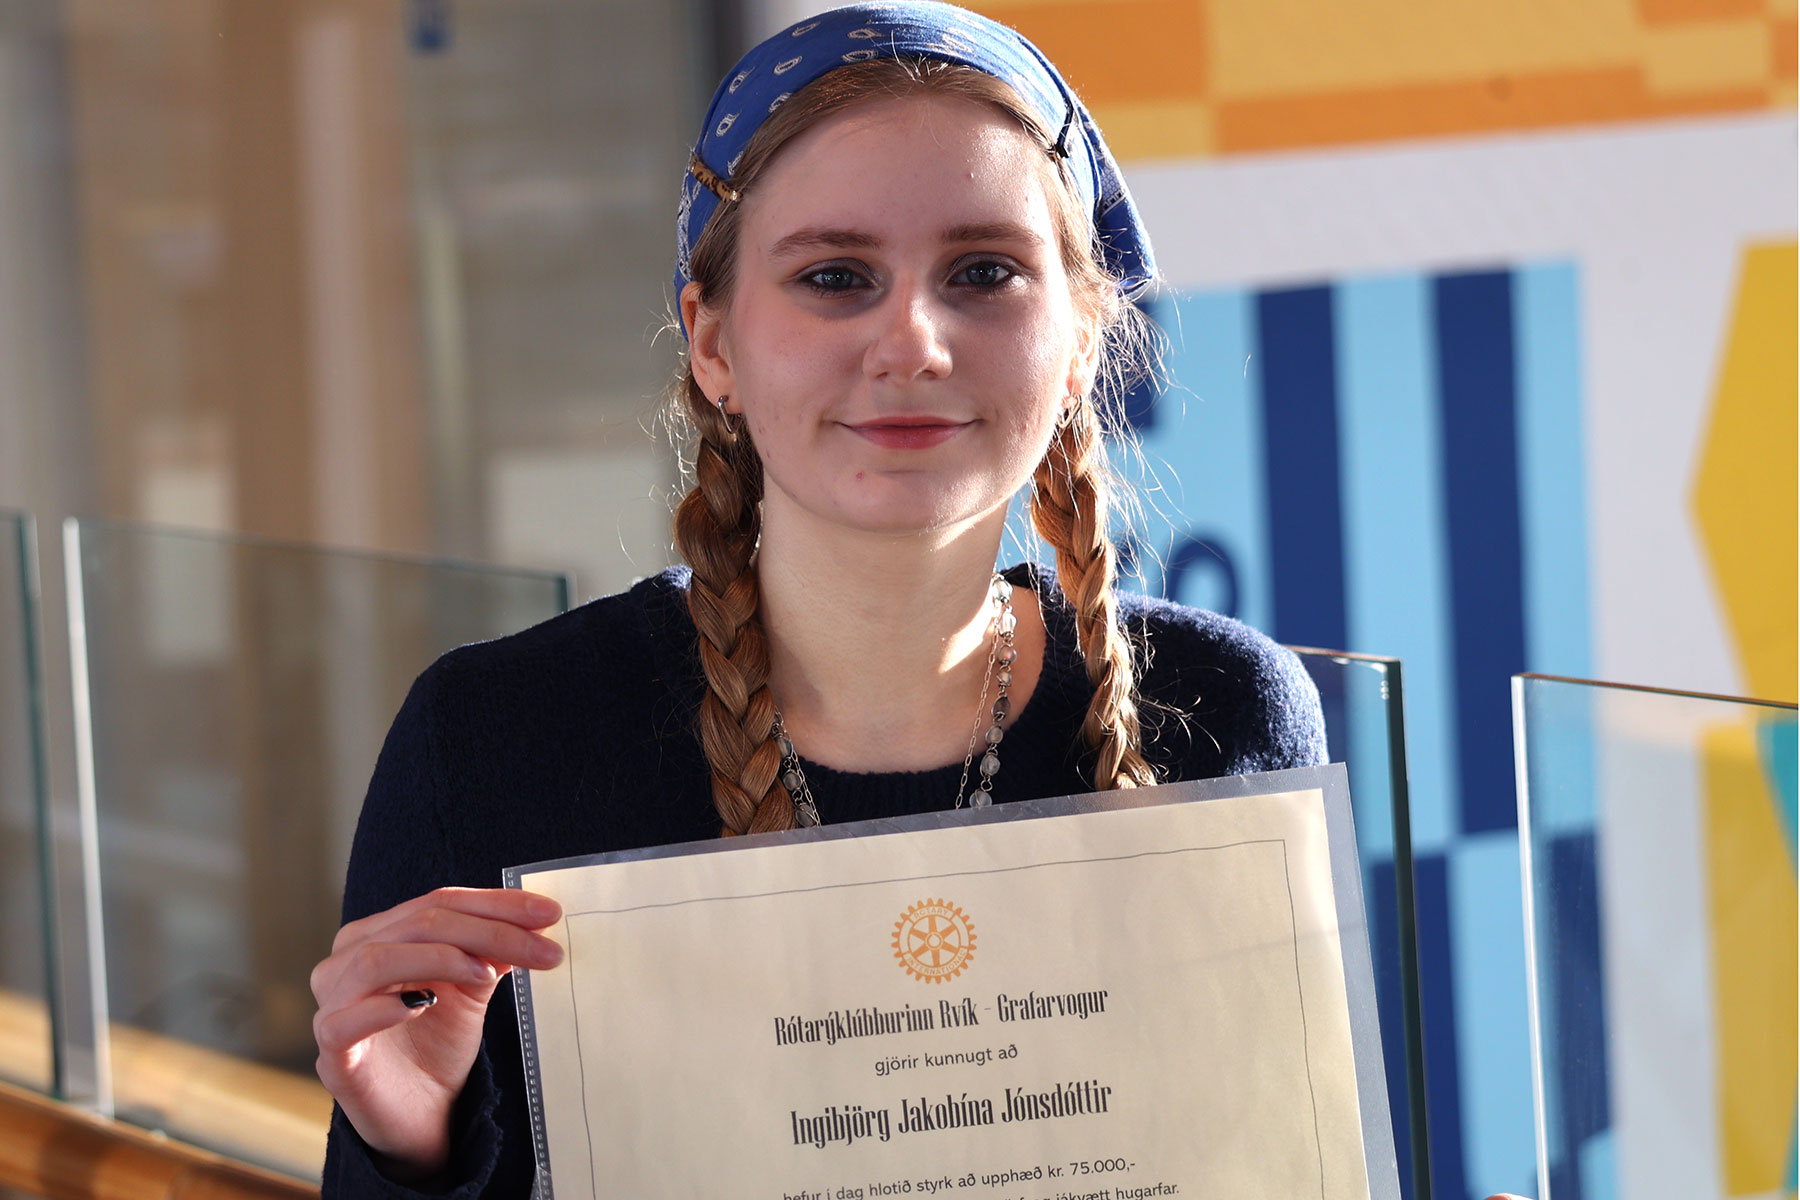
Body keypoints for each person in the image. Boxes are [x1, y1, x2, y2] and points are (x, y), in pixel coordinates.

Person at [310, 4, 1336, 1194]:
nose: (912, 343)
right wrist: (412, 1143)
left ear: (1076, 341)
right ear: (713, 345)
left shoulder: (1227, 713)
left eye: (985, 272)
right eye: (834, 277)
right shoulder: (493, 736)